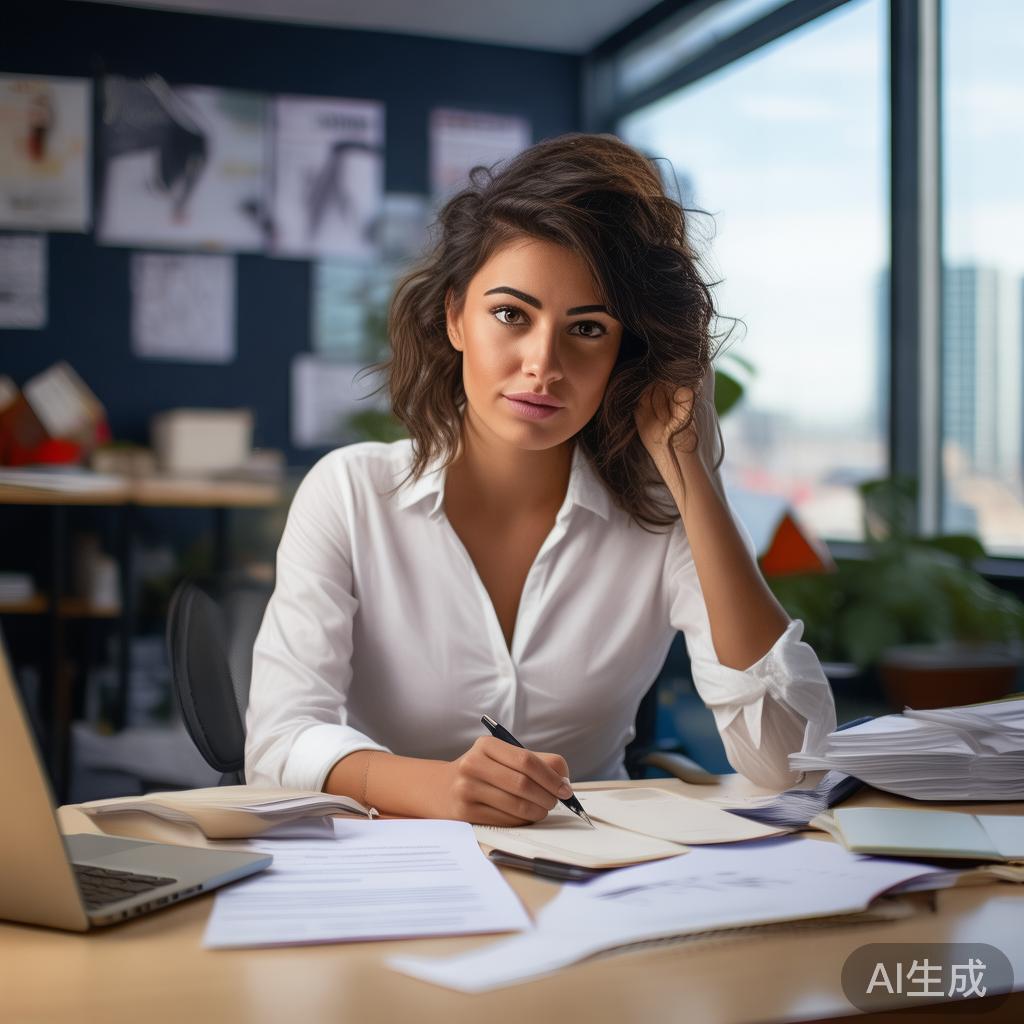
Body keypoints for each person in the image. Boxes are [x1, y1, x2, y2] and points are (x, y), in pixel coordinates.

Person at [245, 132, 837, 825]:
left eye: (586, 330)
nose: (543, 364)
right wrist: (432, 788)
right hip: (388, 870)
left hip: (601, 871)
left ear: (624, 353)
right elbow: (277, 741)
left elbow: (791, 761)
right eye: (510, 315)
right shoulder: (348, 493)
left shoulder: (659, 517)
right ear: (455, 317)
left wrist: (695, 475)